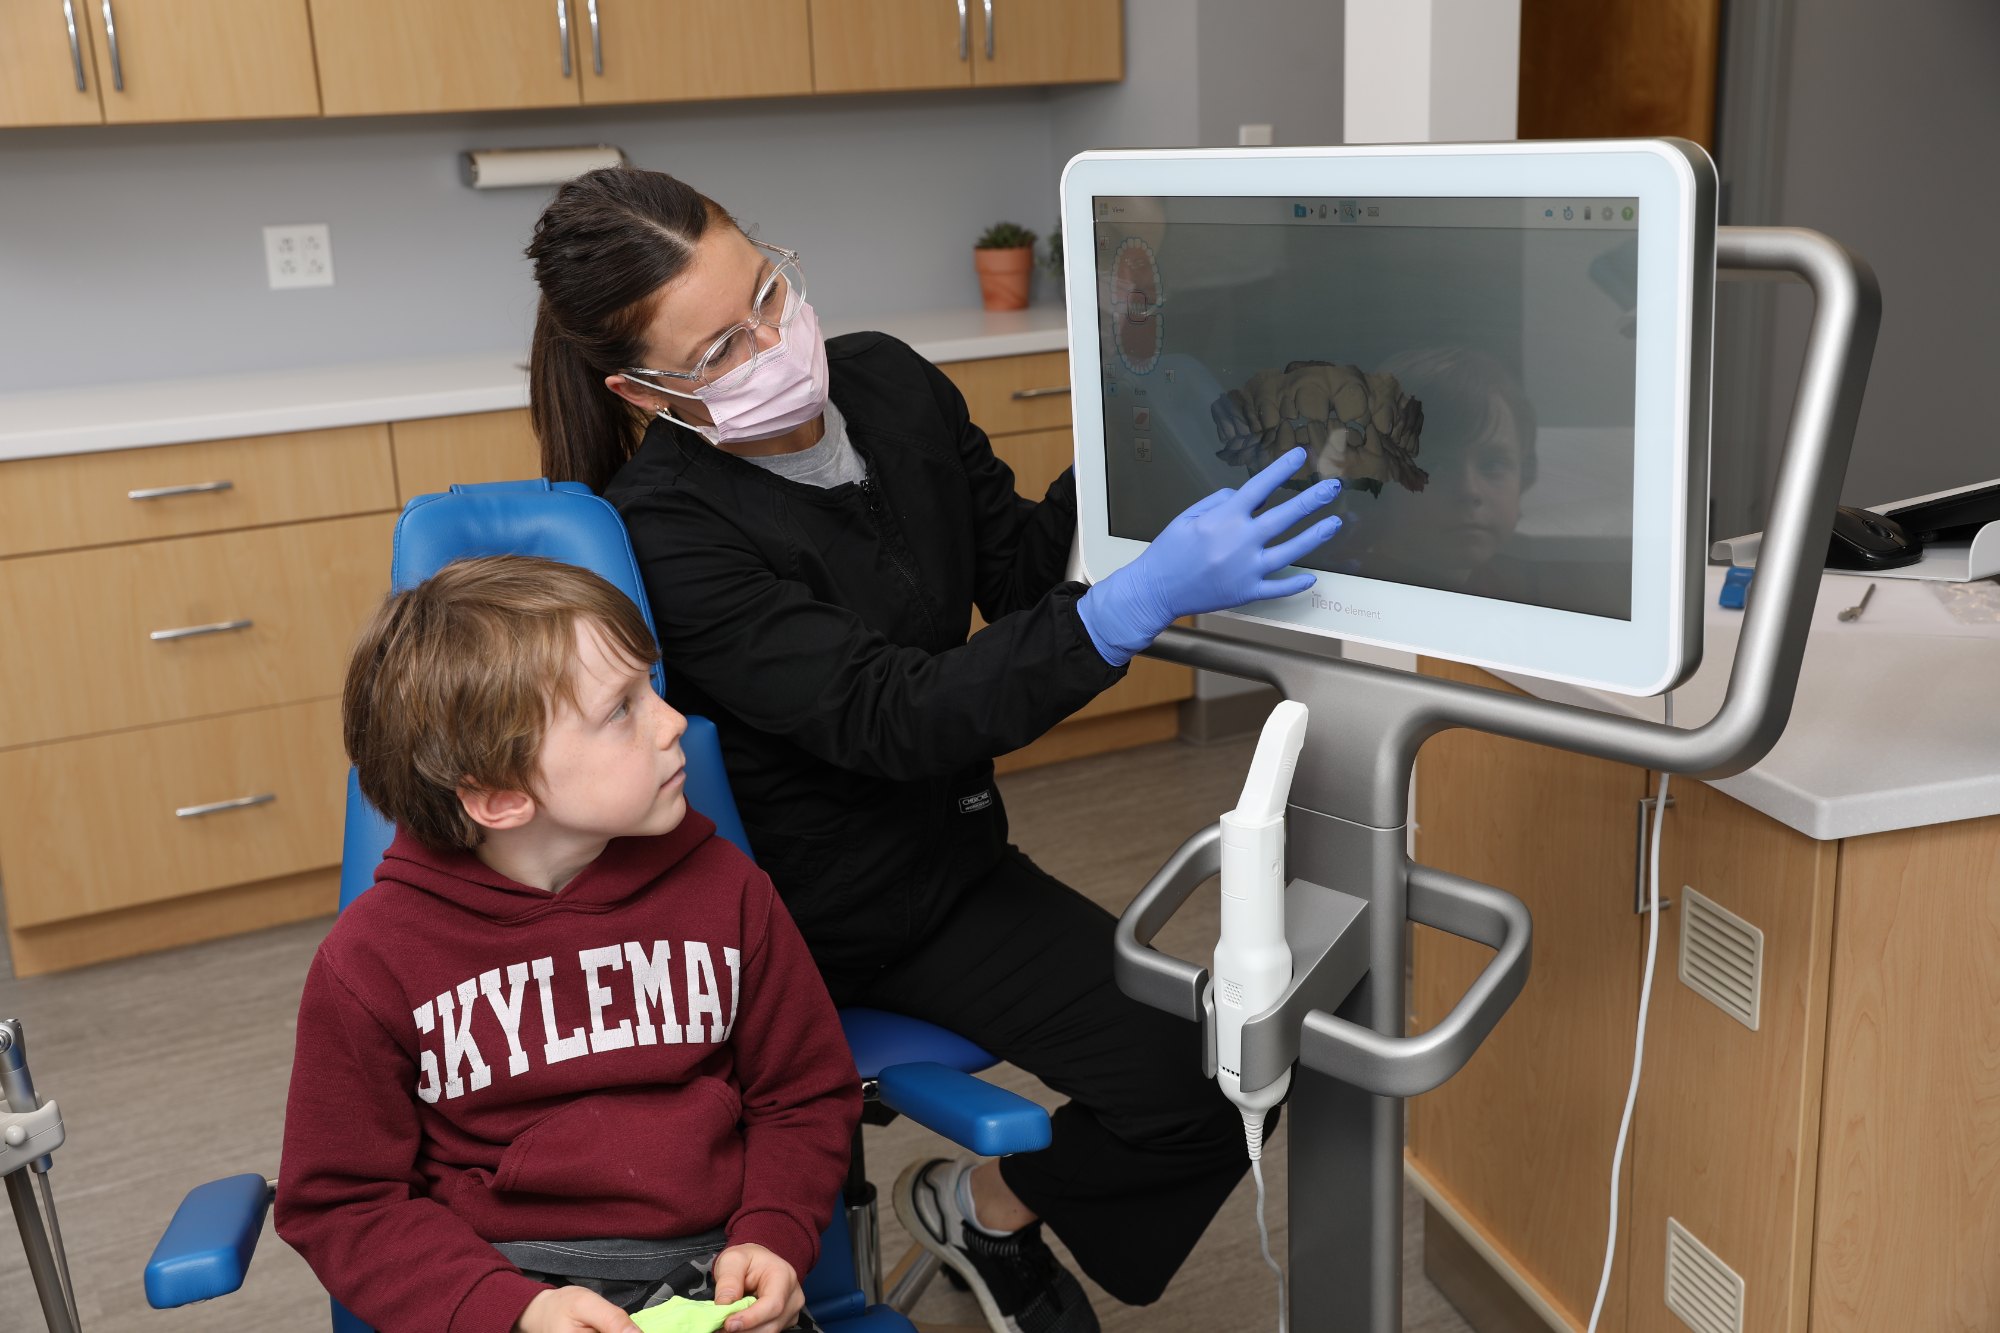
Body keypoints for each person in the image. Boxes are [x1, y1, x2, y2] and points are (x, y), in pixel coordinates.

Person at [524, 168, 1344, 1333]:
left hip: (952, 864)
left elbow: (1013, 571)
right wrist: (1137, 601)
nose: (771, 342)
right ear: (641, 389)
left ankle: (982, 1207)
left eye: (767, 292)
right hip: (815, 917)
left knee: (1215, 1079)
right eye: (718, 349)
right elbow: (894, 714)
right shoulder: (666, 528)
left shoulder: (888, 383)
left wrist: (1142, 443)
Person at [275, 556, 862, 1333]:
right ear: (500, 796)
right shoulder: (371, 962)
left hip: (715, 1274)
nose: (672, 720)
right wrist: (511, 1311)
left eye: (650, 687)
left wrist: (773, 1232)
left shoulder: (728, 889)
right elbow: (341, 1201)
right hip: (509, 1288)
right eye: (620, 708)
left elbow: (805, 1093)